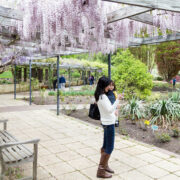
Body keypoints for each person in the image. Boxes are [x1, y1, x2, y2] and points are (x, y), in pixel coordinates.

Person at [95, 76, 122, 178]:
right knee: (109, 147)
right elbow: (110, 110)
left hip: (106, 122)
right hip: (108, 123)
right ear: (104, 85)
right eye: (108, 84)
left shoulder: (100, 95)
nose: (110, 86)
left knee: (105, 145)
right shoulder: (103, 97)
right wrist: (118, 100)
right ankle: (101, 170)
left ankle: (105, 166)